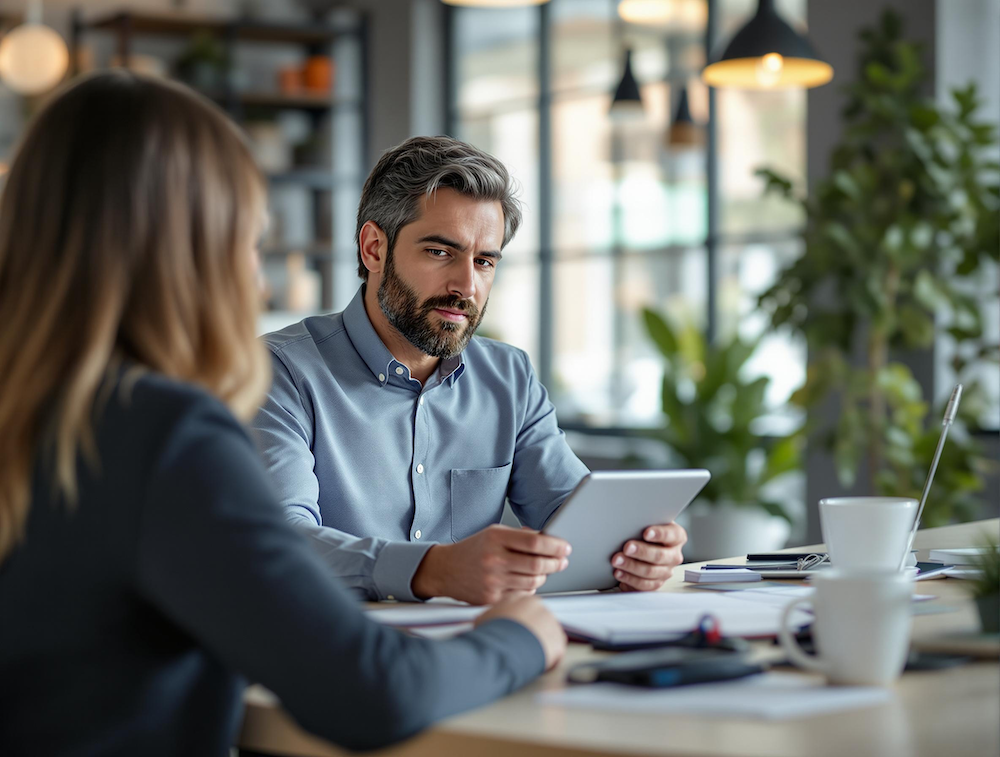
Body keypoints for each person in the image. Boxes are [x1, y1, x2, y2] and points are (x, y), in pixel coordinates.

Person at [0, 72, 566, 757]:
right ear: (184, 253)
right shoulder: (164, 435)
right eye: (247, 242)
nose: (257, 279)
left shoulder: (41, 416)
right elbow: (371, 691)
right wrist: (519, 637)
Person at [252, 135, 688, 606]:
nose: (466, 285)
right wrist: (430, 571)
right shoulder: (278, 372)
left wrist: (639, 550)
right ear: (374, 249)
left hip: (478, 642)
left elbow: (573, 514)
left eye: (484, 261)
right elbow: (280, 541)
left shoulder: (510, 377)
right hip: (334, 650)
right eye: (440, 252)